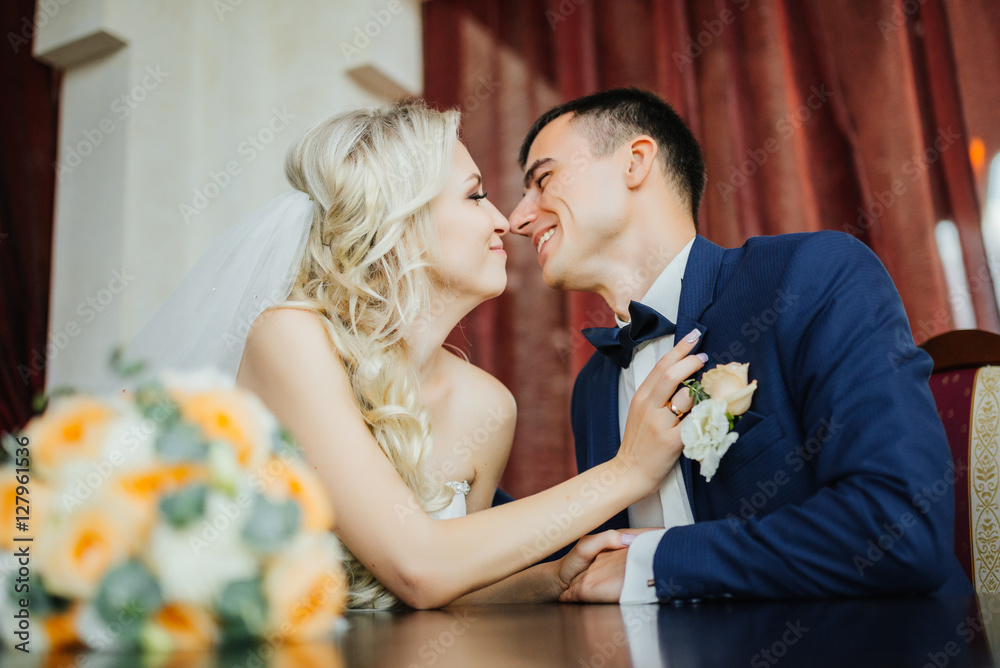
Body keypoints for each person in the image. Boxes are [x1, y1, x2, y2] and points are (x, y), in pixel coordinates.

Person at [125, 102, 709, 609]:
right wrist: (628, 471)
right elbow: (418, 566)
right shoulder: (291, 338)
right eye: (475, 195)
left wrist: (551, 579)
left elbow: (447, 588)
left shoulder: (489, 406)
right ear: (400, 219)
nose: (505, 220)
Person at [507, 88, 971, 603]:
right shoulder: (593, 386)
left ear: (635, 162)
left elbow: (898, 527)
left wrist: (657, 563)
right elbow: (588, 566)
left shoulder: (811, 275)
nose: (518, 218)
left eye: (543, 180)